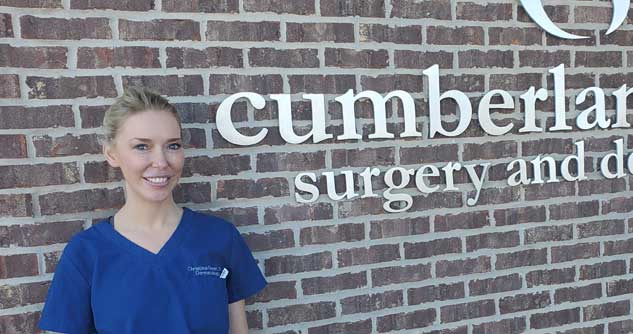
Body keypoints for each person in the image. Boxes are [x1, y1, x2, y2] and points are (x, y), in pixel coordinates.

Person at [38, 87, 266, 334]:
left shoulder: (220, 238)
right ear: (112, 153)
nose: (161, 162)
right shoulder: (86, 253)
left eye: (173, 145)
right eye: (142, 147)